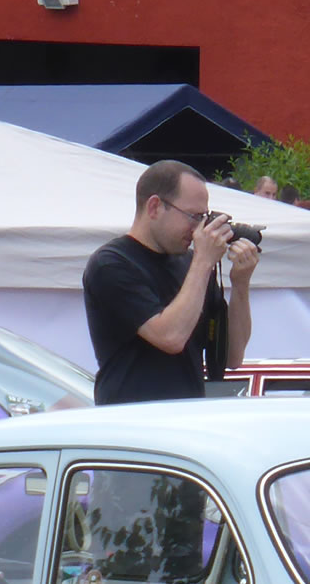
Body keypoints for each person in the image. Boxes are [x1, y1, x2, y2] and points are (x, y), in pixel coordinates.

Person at [81, 159, 260, 407]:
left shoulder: (193, 264)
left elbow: (232, 356)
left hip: (185, 416)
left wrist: (240, 284)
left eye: (204, 217)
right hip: (130, 417)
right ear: (154, 207)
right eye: (193, 216)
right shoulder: (112, 263)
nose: (198, 229)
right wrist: (203, 261)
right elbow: (170, 337)